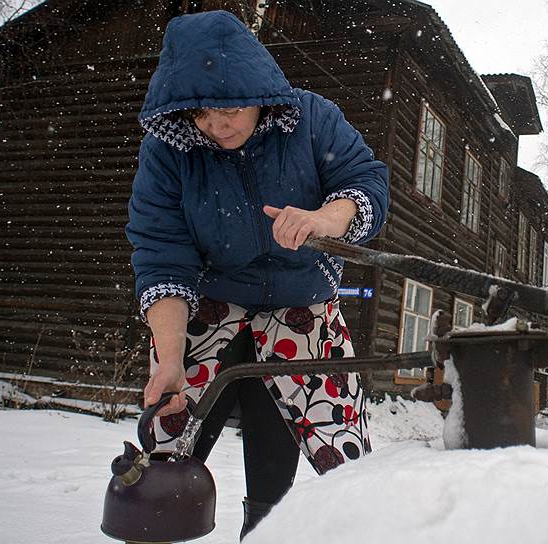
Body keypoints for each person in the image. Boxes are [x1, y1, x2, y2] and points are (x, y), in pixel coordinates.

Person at [126, 10, 389, 539]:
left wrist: (323, 221)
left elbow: (365, 183)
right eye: (200, 114)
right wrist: (171, 357)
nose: (216, 126)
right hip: (211, 306)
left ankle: (267, 529)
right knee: (164, 455)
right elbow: (161, 252)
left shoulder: (312, 119)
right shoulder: (170, 150)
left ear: (256, 90)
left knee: (304, 464)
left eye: (226, 108)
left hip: (301, 309)